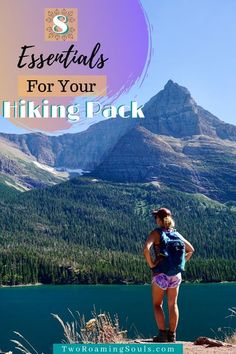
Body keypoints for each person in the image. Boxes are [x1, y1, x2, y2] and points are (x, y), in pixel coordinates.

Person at [143, 207, 195, 343]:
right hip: (176, 275)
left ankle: (162, 335)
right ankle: (172, 335)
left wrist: (151, 265)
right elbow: (191, 250)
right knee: (173, 304)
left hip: (161, 275)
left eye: (156, 218)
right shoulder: (176, 234)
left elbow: (146, 249)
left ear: (160, 220)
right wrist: (180, 264)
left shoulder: (156, 233)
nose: (155, 220)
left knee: (157, 304)